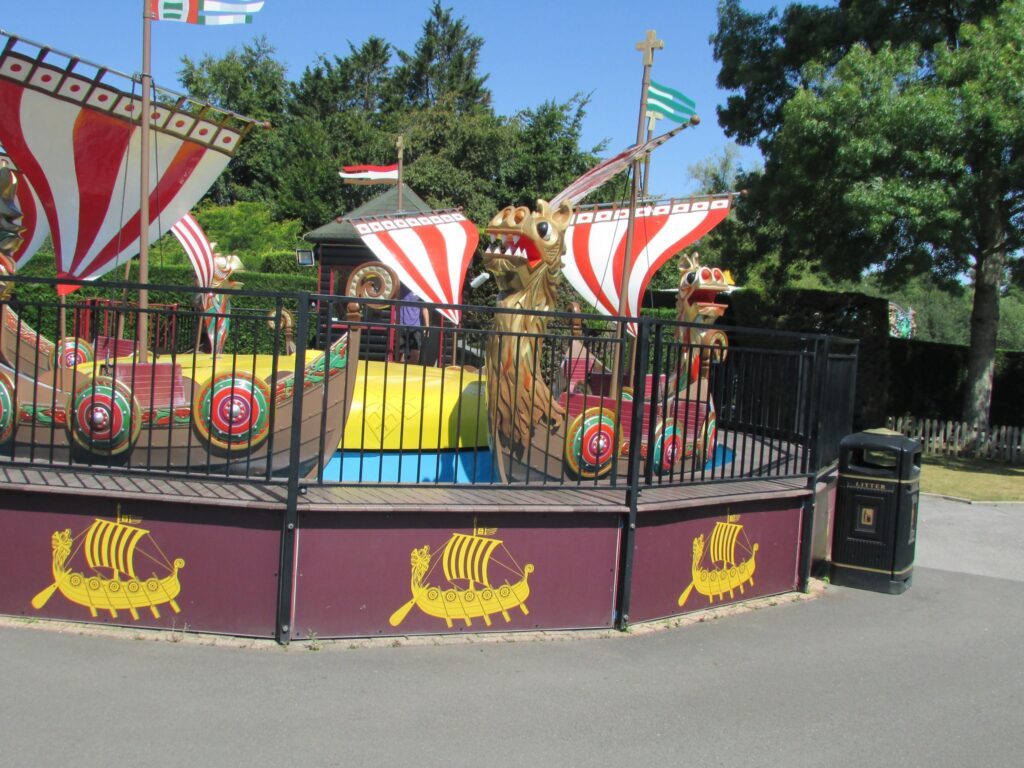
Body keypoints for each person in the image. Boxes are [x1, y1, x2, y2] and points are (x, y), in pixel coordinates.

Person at [397, 285, 430, 364]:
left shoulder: (419, 289)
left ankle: (408, 372)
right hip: (401, 326)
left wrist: (427, 326)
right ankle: (402, 373)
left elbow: (424, 309)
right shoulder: (401, 287)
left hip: (415, 327)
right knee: (400, 355)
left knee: (415, 355)